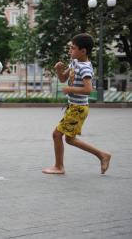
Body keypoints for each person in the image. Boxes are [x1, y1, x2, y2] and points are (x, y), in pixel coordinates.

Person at [42, 33, 111, 175]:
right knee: (69, 139)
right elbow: (63, 79)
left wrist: (70, 89)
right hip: (74, 107)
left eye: (72, 48)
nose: (69, 51)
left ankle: (59, 167)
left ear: (83, 51)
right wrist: (59, 70)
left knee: (57, 135)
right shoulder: (75, 62)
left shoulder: (85, 68)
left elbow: (88, 89)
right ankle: (102, 155)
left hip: (78, 109)